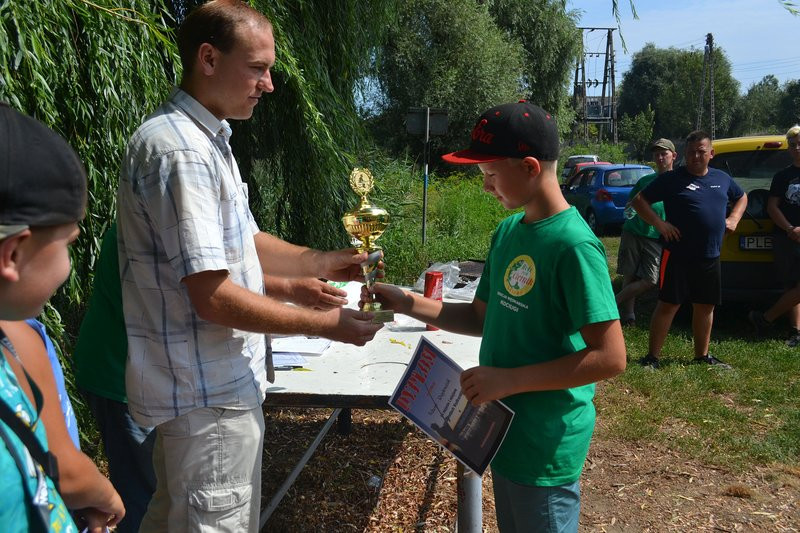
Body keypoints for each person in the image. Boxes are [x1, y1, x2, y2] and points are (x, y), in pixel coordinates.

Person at [115, 2, 383, 530]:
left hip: (205, 396)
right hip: (208, 398)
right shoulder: (181, 152)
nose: (269, 84)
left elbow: (246, 241)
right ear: (209, 58)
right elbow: (212, 297)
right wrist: (327, 324)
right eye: (258, 68)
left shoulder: (206, 140)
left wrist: (323, 263)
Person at [365, 100, 626, 532]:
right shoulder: (508, 232)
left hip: (544, 442)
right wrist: (406, 302)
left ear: (528, 167)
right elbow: (481, 317)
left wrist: (508, 380)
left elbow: (611, 357)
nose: (486, 187)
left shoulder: (573, 247)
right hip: (503, 431)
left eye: (489, 175)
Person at [72, 223, 359, 533]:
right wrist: (306, 307)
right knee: (142, 497)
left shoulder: (168, 222)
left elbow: (224, 270)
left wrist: (298, 284)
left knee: (164, 497)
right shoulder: (151, 228)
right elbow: (207, 285)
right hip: (121, 377)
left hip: (160, 379)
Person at [0, 103, 125, 532]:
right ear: (13, 253)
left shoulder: (13, 337)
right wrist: (105, 494)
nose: (70, 265)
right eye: (68, 243)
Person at [632, 130, 747, 369]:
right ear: (685, 154)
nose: (695, 156)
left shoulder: (722, 178)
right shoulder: (672, 179)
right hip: (677, 255)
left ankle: (701, 356)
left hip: (710, 255)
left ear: (711, 154)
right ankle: (652, 357)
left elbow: (742, 197)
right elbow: (639, 201)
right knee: (668, 304)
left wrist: (734, 218)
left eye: (701, 152)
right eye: (691, 152)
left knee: (705, 305)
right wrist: (660, 224)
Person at [615, 138, 677, 326]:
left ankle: (612, 303)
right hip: (633, 232)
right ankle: (629, 315)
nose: (660, 158)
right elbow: (630, 205)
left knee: (651, 279)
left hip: (656, 236)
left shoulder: (678, 181)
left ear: (673, 156)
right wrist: (633, 214)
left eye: (664, 154)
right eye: (656, 154)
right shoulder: (645, 181)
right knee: (630, 273)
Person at [748, 125, 800, 345]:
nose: (797, 148)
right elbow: (772, 207)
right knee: (792, 285)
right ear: (789, 148)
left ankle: (765, 318)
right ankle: (796, 331)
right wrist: (790, 229)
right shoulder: (782, 176)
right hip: (786, 237)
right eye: (793, 145)